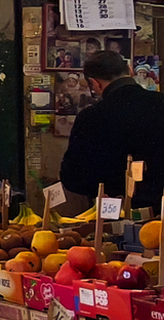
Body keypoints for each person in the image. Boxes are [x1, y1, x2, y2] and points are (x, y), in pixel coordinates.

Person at [59, 50, 164, 212]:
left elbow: (73, 177)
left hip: (114, 212)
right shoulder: (160, 104)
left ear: (95, 83)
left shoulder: (91, 117)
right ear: (129, 70)